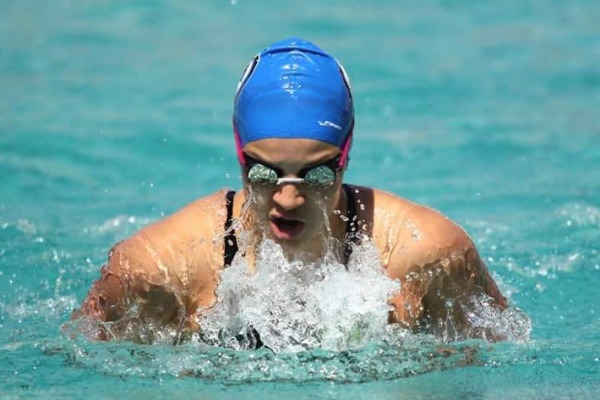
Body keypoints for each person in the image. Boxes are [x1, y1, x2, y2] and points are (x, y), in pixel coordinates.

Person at [73, 37, 507, 343]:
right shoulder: (160, 269)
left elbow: (495, 366)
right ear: (240, 155)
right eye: (264, 173)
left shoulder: (427, 254)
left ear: (346, 157)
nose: (288, 199)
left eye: (317, 175)